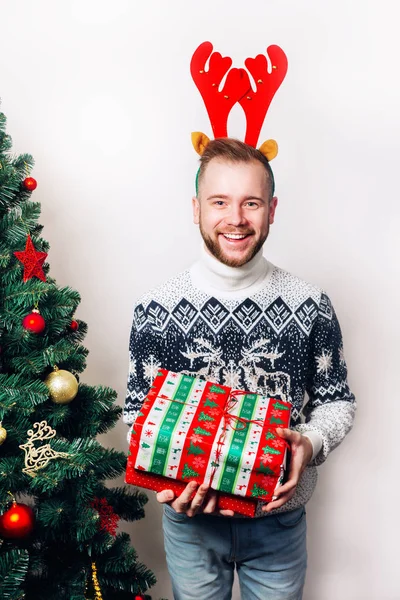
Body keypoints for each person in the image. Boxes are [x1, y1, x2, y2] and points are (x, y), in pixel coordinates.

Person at [124, 138, 356, 600]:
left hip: (278, 524)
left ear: (271, 209)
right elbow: (137, 416)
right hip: (190, 525)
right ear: (196, 209)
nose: (236, 218)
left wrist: (308, 444)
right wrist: (166, 481)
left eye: (251, 202)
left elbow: (337, 401)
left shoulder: (310, 305)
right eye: (219, 202)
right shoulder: (155, 309)